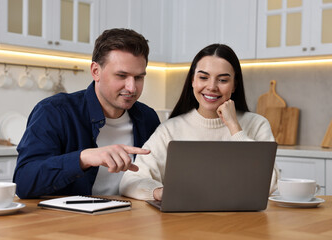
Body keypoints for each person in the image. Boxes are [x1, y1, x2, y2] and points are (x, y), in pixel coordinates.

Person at [120, 43, 280, 201]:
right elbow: (129, 181)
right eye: (203, 77)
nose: (211, 87)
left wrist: (234, 128)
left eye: (223, 80)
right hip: (186, 222)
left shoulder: (257, 124)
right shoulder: (169, 130)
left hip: (242, 221)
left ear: (234, 85)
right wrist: (161, 193)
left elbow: (271, 185)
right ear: (192, 81)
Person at [13, 28, 160, 198]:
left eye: (139, 77)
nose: (132, 87)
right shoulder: (54, 111)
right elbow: (23, 182)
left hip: (130, 218)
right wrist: (83, 158)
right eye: (121, 76)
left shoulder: (148, 118)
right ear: (95, 71)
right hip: (71, 221)